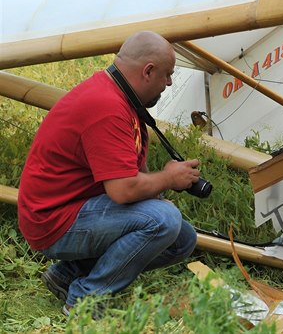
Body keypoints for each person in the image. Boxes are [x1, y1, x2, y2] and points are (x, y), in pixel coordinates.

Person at [17, 31, 199, 316]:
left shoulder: (121, 96)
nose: (169, 82)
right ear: (148, 71)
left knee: (182, 239)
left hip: (76, 208)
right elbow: (123, 190)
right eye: (167, 74)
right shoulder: (107, 106)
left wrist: (157, 190)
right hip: (52, 221)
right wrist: (168, 178)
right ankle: (85, 300)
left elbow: (132, 170)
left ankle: (68, 274)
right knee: (163, 220)